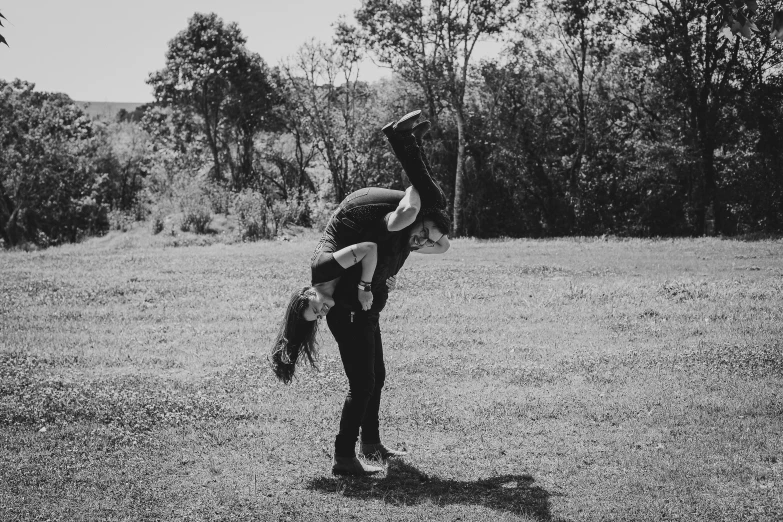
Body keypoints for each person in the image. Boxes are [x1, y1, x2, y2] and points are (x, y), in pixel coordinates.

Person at [271, 110, 451, 476]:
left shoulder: (323, 269)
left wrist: (370, 286)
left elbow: (371, 247)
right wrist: (368, 288)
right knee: (363, 383)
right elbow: (391, 232)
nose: (321, 311)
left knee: (375, 377)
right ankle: (344, 458)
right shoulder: (336, 298)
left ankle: (370, 444)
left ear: (306, 294)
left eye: (314, 308)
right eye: (318, 316)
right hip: (357, 310)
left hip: (357, 219)